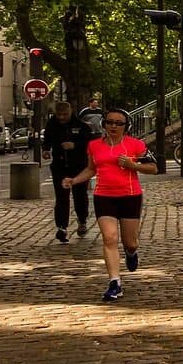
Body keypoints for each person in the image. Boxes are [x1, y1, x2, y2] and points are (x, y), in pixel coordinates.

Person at [63, 107, 151, 302]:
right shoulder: (94, 146)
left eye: (118, 123)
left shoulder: (135, 145)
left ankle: (131, 252)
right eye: (109, 122)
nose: (113, 126)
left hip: (130, 196)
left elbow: (153, 168)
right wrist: (74, 180)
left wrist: (133, 165)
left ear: (126, 126)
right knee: (109, 238)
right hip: (104, 196)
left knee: (130, 241)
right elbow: (90, 169)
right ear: (103, 124)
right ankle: (114, 282)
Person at [42, 100, 96, 242]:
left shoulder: (81, 126)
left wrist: (75, 145)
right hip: (59, 166)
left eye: (64, 114)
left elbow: (90, 143)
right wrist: (46, 149)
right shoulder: (52, 125)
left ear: (70, 111)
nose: (61, 117)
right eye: (59, 114)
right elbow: (47, 139)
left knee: (80, 196)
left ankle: (82, 221)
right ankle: (61, 227)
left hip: (79, 166)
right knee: (61, 197)